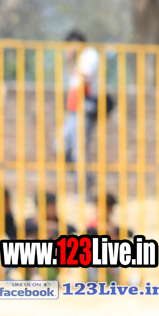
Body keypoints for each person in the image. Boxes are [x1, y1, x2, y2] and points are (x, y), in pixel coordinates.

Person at [61, 30, 101, 199]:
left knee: (79, 151)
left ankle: (83, 193)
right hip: (74, 110)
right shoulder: (78, 59)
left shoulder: (89, 54)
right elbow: (73, 80)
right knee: (60, 148)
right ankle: (87, 179)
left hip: (84, 108)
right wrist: (70, 61)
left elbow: (85, 79)